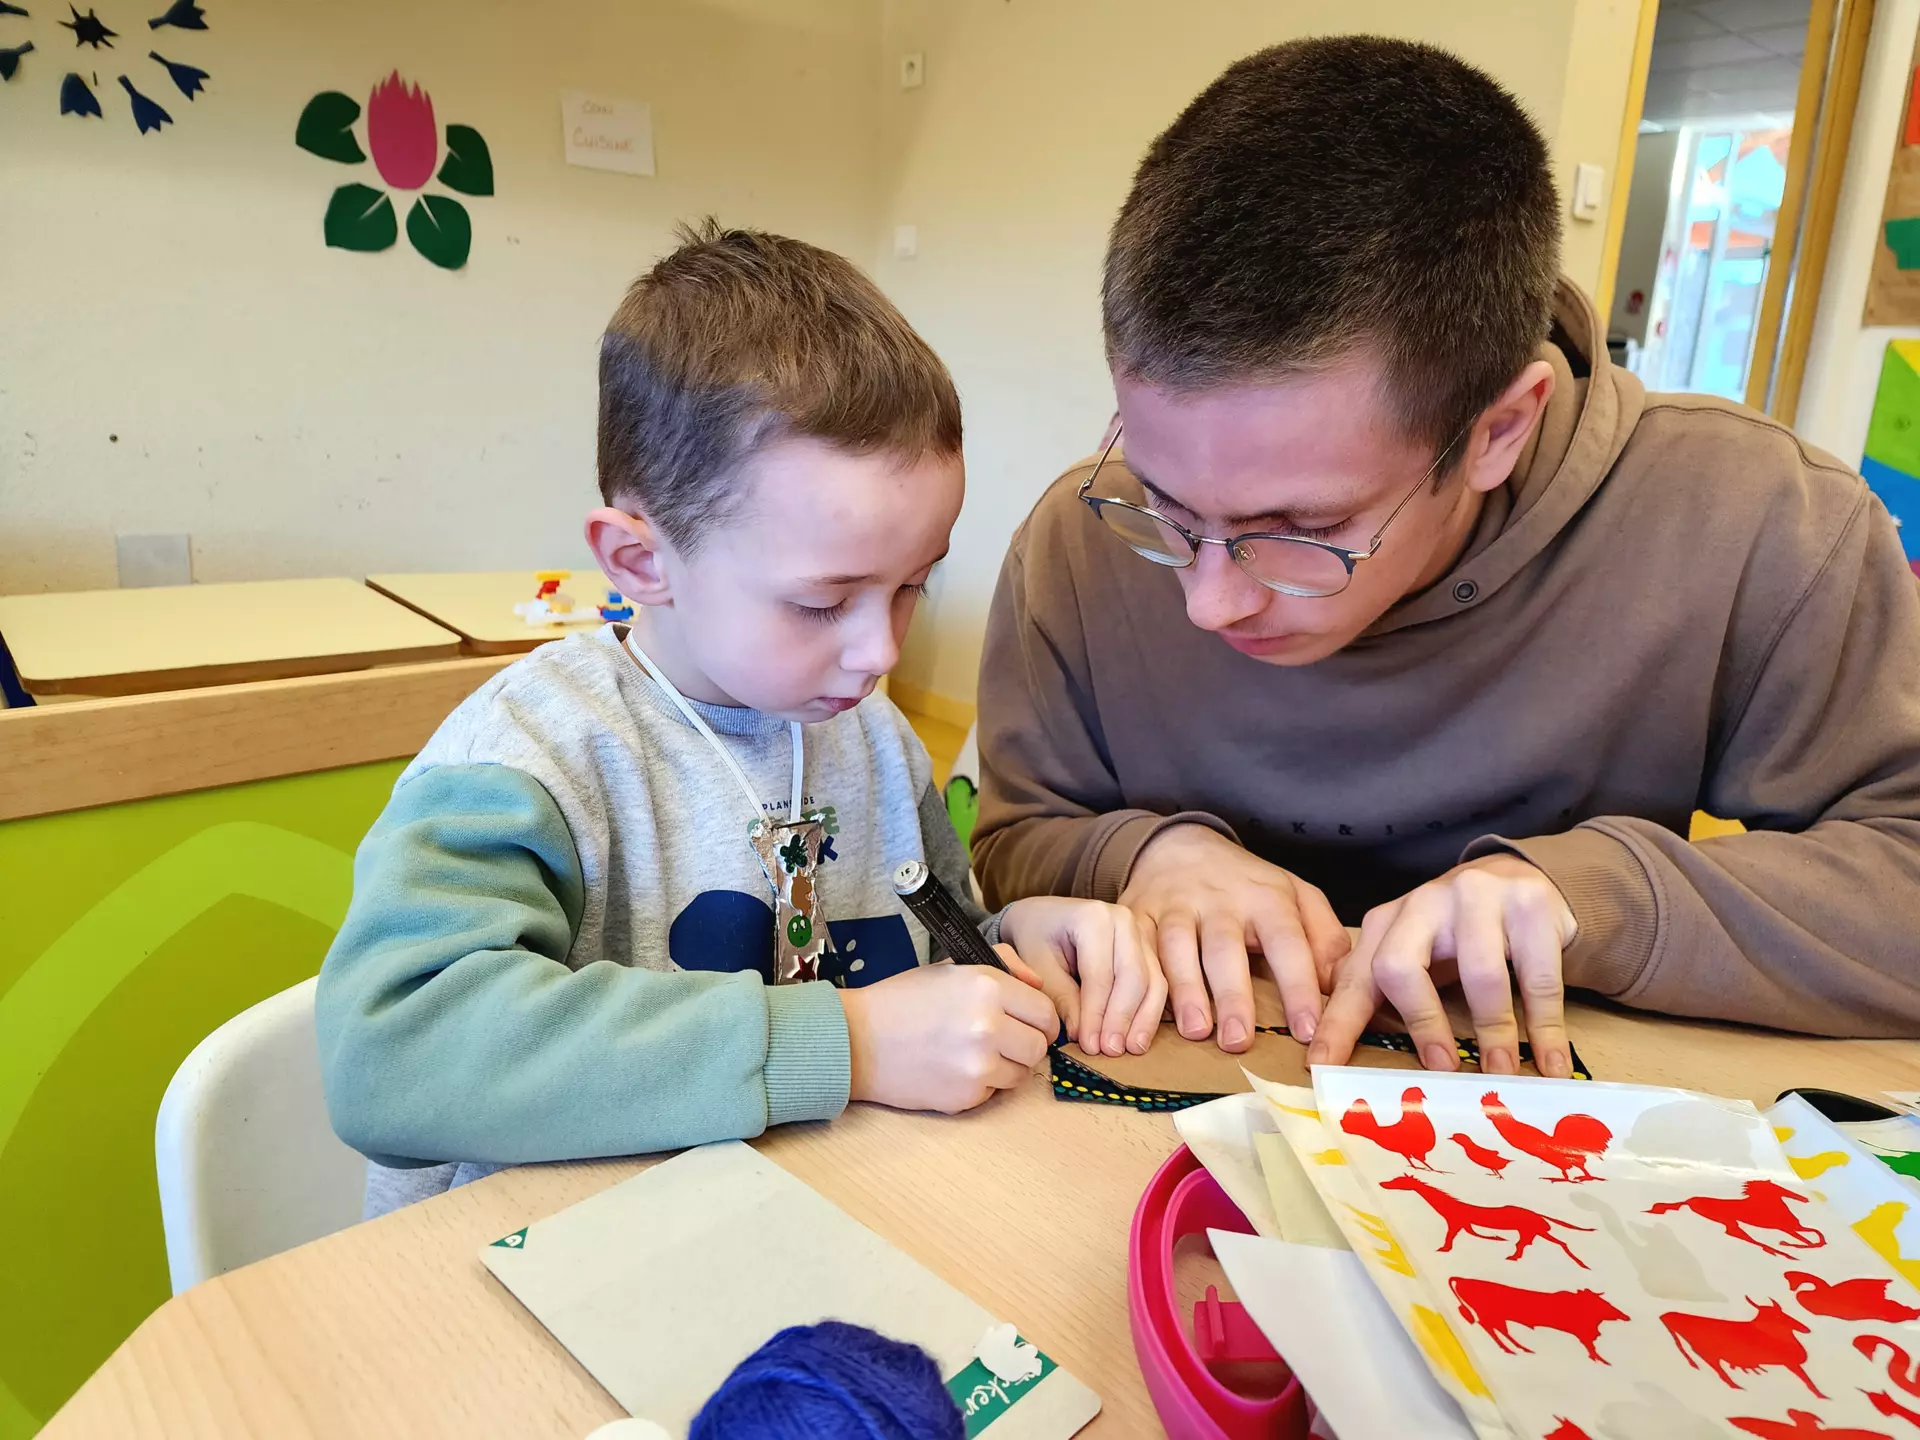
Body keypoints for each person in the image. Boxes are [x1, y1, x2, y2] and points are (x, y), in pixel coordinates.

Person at [974, 37, 1920, 1083]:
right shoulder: (1076, 537)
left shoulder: (1762, 521)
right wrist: (1144, 856)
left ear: (1498, 432)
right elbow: (1017, 834)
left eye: (1300, 530)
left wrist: (1592, 896)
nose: (1209, 599)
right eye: (1163, 500)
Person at [317, 223, 1162, 1216]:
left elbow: (930, 947)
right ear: (641, 563)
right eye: (819, 603)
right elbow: (392, 1052)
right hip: (533, 1274)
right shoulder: (530, 758)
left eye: (911, 589)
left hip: (797, 1222)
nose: (880, 653)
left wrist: (1014, 941)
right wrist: (845, 1045)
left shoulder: (873, 739)